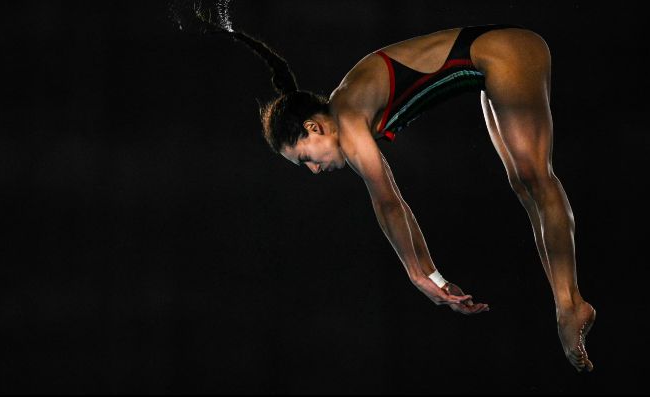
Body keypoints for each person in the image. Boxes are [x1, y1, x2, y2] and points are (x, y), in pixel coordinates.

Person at [231, 24, 595, 372]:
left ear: (315, 127)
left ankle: (570, 305)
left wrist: (420, 276)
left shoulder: (348, 116)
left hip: (507, 51)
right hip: (489, 65)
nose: (313, 170)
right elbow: (393, 203)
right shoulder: (348, 111)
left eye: (306, 158)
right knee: (523, 183)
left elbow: (389, 201)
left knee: (535, 177)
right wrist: (431, 276)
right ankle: (566, 304)